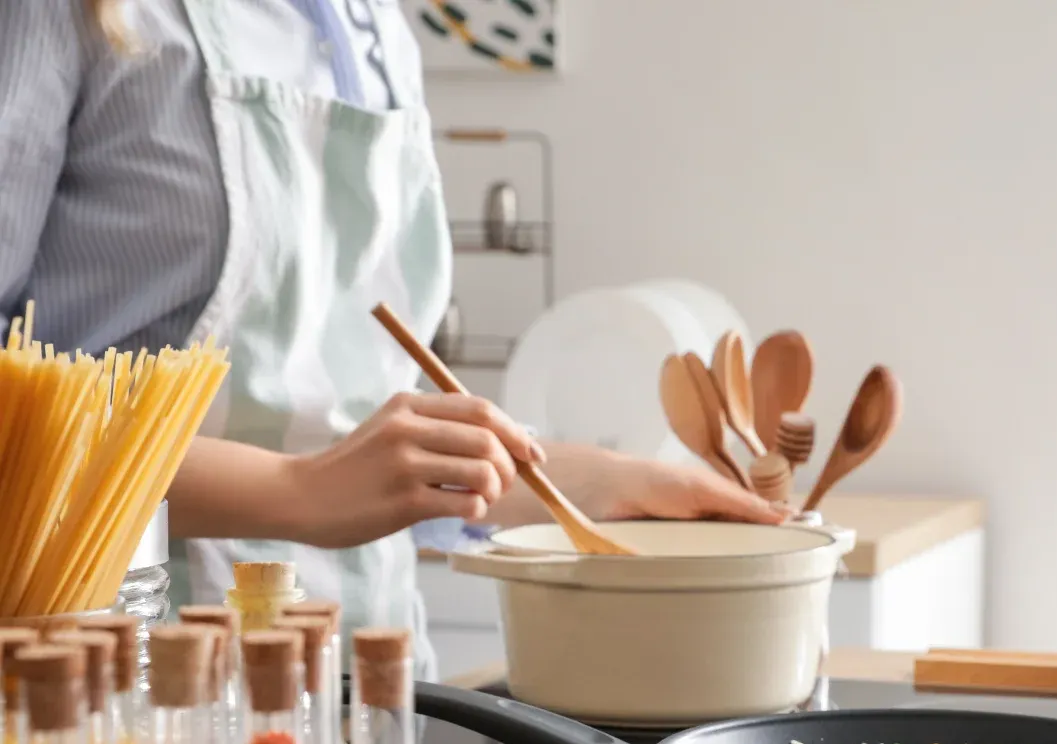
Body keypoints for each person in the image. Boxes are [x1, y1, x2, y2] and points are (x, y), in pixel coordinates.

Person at [0, 0, 780, 675]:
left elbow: (355, 432)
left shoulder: (371, 24)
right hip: (119, 682)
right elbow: (21, 439)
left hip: (368, 678)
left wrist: (601, 483)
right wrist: (298, 492)